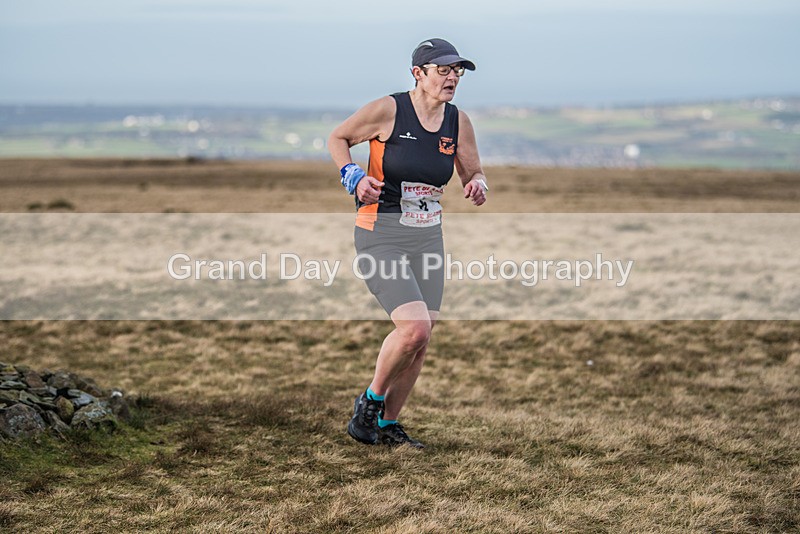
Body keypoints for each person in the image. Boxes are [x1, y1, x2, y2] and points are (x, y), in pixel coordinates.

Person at [328, 38, 488, 449]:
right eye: (443, 70)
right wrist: (353, 176)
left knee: (422, 338)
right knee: (413, 328)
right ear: (418, 73)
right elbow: (338, 138)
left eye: (458, 71)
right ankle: (369, 404)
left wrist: (477, 183)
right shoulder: (389, 110)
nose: (452, 77)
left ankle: (387, 426)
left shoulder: (457, 121)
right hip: (381, 233)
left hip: (428, 237)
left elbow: (471, 169)